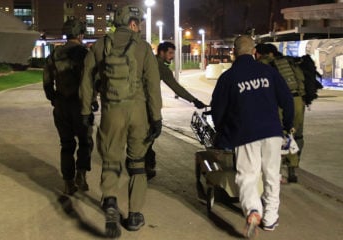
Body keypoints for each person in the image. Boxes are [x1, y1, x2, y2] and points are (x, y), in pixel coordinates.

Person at [79, 5, 162, 237]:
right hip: (138, 112)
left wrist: (86, 110)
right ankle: (134, 215)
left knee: (111, 160)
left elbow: (86, 80)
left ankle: (111, 203)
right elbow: (153, 86)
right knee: (137, 164)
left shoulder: (99, 45)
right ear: (133, 23)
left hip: (111, 111)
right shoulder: (144, 48)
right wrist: (156, 117)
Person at [211, 36, 294, 239]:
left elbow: (217, 109)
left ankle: (253, 211)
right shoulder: (269, 72)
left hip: (244, 133)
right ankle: (270, 219)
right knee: (272, 175)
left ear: (234, 52)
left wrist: (222, 132)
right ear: (254, 51)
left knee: (248, 176)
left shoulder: (228, 77)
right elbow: (288, 100)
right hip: (272, 132)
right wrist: (288, 126)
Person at [43, 19, 94, 195]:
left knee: (66, 145)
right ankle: (81, 174)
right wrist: (92, 100)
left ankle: (68, 182)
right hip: (80, 105)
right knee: (85, 142)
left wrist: (54, 99)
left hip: (61, 105)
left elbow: (47, 81)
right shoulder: (84, 54)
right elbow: (91, 80)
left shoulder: (54, 54)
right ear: (81, 34)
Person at [145, 41, 207, 179]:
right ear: (161, 52)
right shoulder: (161, 67)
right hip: (148, 106)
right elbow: (175, 87)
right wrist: (194, 100)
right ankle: (145, 166)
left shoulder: (147, 61)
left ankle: (142, 163)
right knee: (151, 134)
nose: (172, 56)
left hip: (134, 104)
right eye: (170, 53)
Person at [256, 43, 304, 183]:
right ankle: (292, 170)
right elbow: (301, 80)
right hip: (298, 101)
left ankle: (277, 172)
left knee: (280, 135)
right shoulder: (290, 62)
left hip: (282, 102)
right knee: (295, 135)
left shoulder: (266, 64)